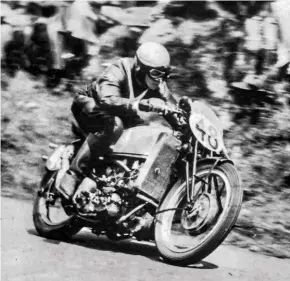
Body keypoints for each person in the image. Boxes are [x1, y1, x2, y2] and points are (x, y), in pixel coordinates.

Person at [57, 41, 177, 200]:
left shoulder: (157, 85)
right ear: (141, 69)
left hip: (122, 112)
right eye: (156, 73)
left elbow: (173, 111)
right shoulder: (120, 68)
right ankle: (73, 174)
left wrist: (173, 105)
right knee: (114, 125)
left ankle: (115, 180)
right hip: (89, 105)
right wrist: (142, 104)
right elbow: (106, 99)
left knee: (145, 134)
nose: (160, 79)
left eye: (165, 74)